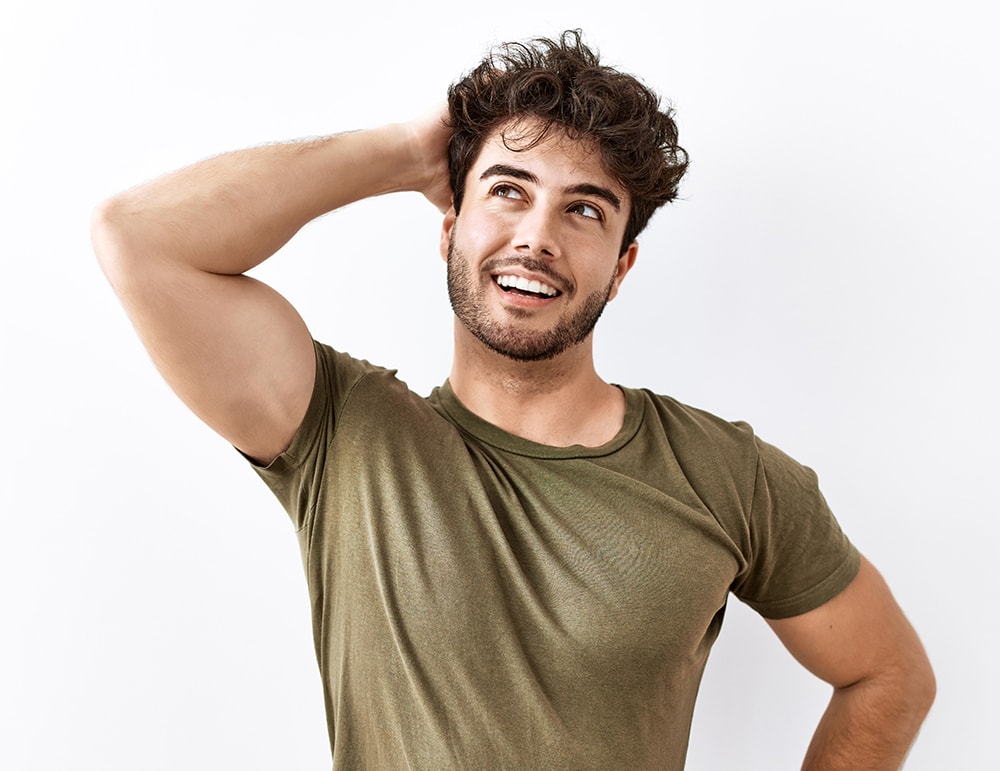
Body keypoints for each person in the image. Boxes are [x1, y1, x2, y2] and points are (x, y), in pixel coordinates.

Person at [92, 29, 934, 770]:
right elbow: (141, 237)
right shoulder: (338, 431)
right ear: (449, 223)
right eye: (507, 190)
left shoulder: (728, 474)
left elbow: (887, 674)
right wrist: (396, 153)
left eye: (585, 209)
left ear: (622, 266)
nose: (537, 235)